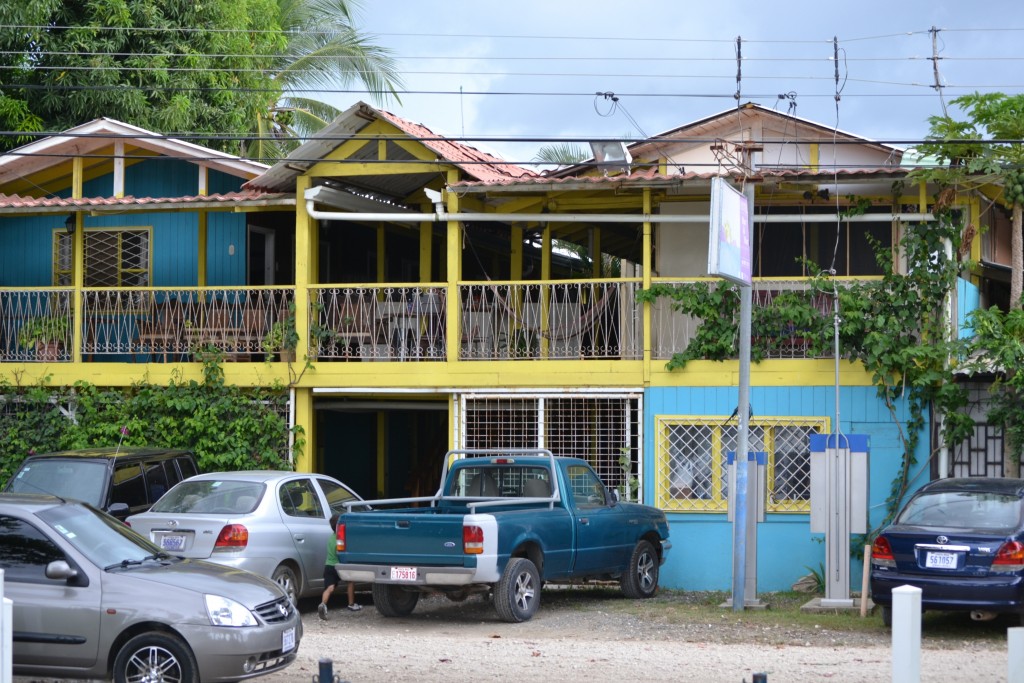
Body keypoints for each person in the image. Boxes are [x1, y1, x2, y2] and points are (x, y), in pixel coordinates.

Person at [319, 513, 361, 619]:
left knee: (329, 588)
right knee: (350, 581)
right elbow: (341, 554)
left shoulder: (330, 538)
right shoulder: (340, 540)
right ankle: (351, 604)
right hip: (338, 566)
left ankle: (323, 605)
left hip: (328, 566)